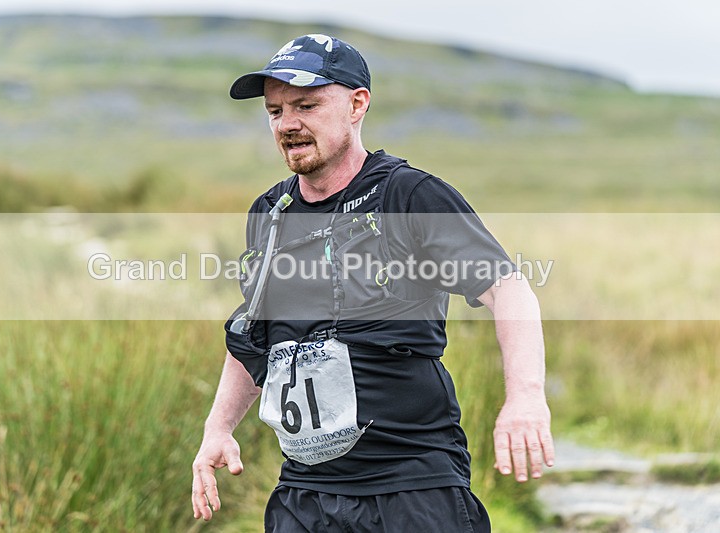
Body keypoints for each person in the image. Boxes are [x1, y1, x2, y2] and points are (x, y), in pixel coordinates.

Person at [192, 34, 554, 532]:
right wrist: (218, 428)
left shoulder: (408, 195)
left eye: (306, 106)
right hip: (305, 494)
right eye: (275, 111)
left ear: (357, 104)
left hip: (411, 486)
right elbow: (255, 332)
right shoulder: (270, 212)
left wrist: (526, 397)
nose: (288, 124)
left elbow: (507, 288)